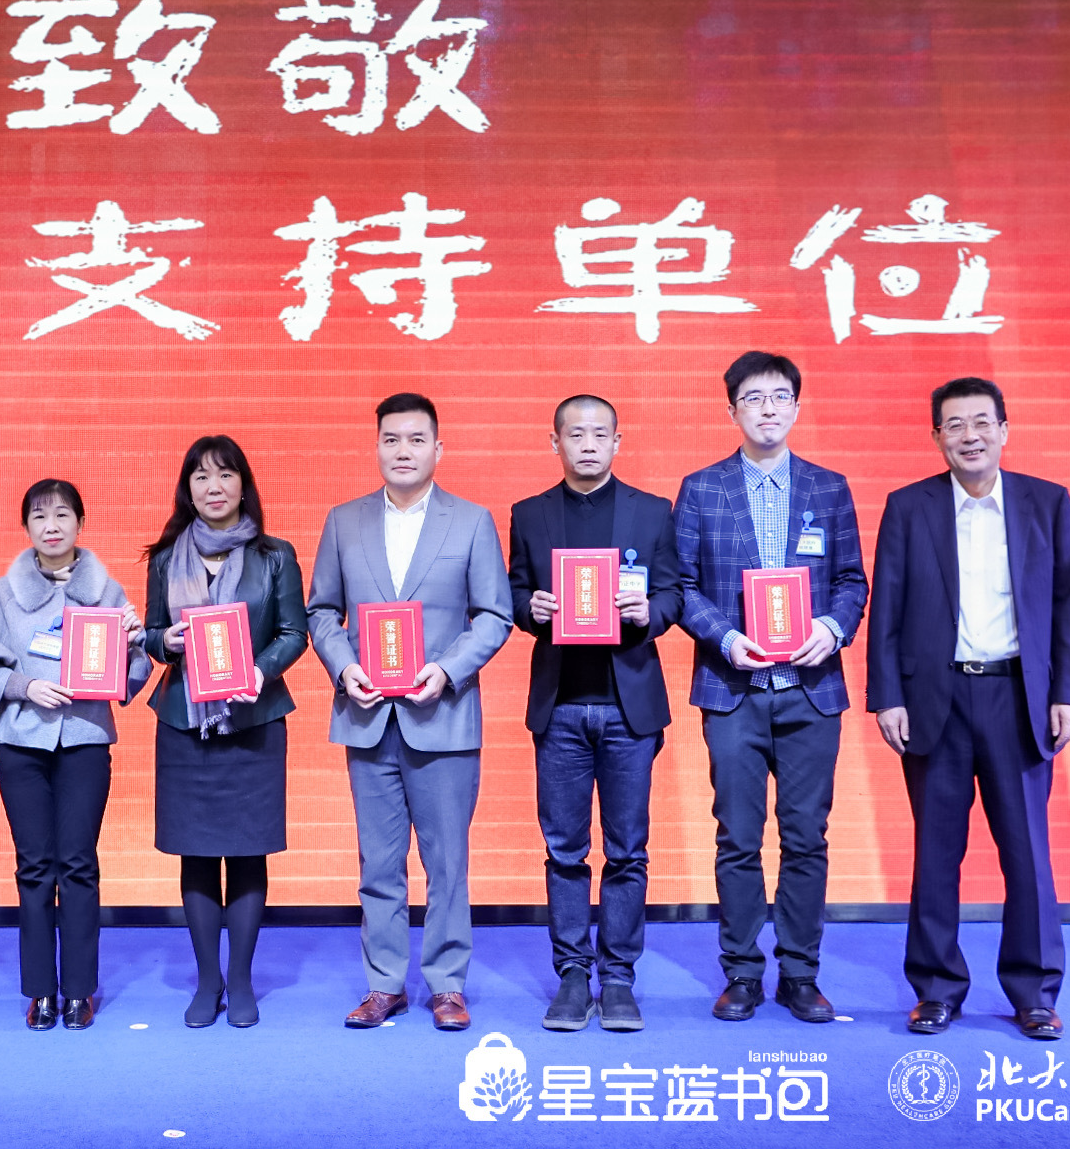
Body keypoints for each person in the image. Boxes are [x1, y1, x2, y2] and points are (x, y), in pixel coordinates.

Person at [866, 377, 1070, 1040]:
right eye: (955, 425)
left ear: (1004, 430)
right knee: (936, 854)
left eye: (982, 422)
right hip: (934, 699)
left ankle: (1035, 992)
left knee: (1027, 853)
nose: (970, 436)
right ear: (937, 436)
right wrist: (888, 697)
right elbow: (887, 610)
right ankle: (937, 989)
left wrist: (1069, 692)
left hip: (1017, 699)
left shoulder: (1047, 503)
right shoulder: (909, 507)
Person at [308, 393, 513, 1033]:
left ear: (438, 449)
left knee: (446, 863)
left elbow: (495, 615)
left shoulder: (472, 521)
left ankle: (447, 985)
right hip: (368, 716)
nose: (403, 451)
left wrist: (446, 670)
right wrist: (345, 667)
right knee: (378, 863)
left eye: (416, 439)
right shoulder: (344, 521)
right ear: (376, 446)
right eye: (392, 439)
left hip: (442, 716)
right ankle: (384, 985)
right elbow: (321, 611)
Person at [673, 351, 867, 1024]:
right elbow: (683, 586)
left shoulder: (828, 488)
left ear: (797, 407)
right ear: (732, 410)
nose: (767, 409)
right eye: (753, 398)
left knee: (807, 836)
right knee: (737, 836)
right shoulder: (702, 489)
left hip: (812, 689)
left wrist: (831, 630)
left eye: (780, 396)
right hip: (734, 688)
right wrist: (727, 638)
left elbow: (852, 580)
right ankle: (742, 973)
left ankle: (801, 974)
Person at [506, 396, 680, 1032]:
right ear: (554, 442)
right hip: (560, 709)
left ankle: (620, 977)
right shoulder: (529, 513)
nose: (587, 444)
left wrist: (650, 613)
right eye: (574, 434)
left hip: (629, 709)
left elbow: (673, 592)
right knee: (565, 850)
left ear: (617, 442)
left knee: (628, 850)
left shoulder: (652, 510)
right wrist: (531, 611)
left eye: (599, 434)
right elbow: (513, 591)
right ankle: (574, 975)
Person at [0, 479, 152, 1032]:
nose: (51, 525)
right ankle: (41, 991)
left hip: (85, 741)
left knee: (79, 864)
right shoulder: (4, 593)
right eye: (40, 516)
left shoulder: (107, 592)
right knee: (34, 867)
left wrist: (133, 642)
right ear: (26, 527)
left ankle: (79, 991)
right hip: (22, 744)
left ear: (80, 524)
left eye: (63, 514)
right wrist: (26, 686)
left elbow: (131, 675)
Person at [143, 436, 309, 1029]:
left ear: (244, 485)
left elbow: (294, 632)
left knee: (245, 851)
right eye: (201, 477)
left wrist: (258, 672)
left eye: (225, 475)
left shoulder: (275, 555)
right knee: (195, 852)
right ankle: (207, 979)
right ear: (187, 490)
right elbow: (152, 632)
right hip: (185, 722)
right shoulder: (166, 558)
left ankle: (239, 979)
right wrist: (165, 641)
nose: (214, 487)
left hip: (252, 722)